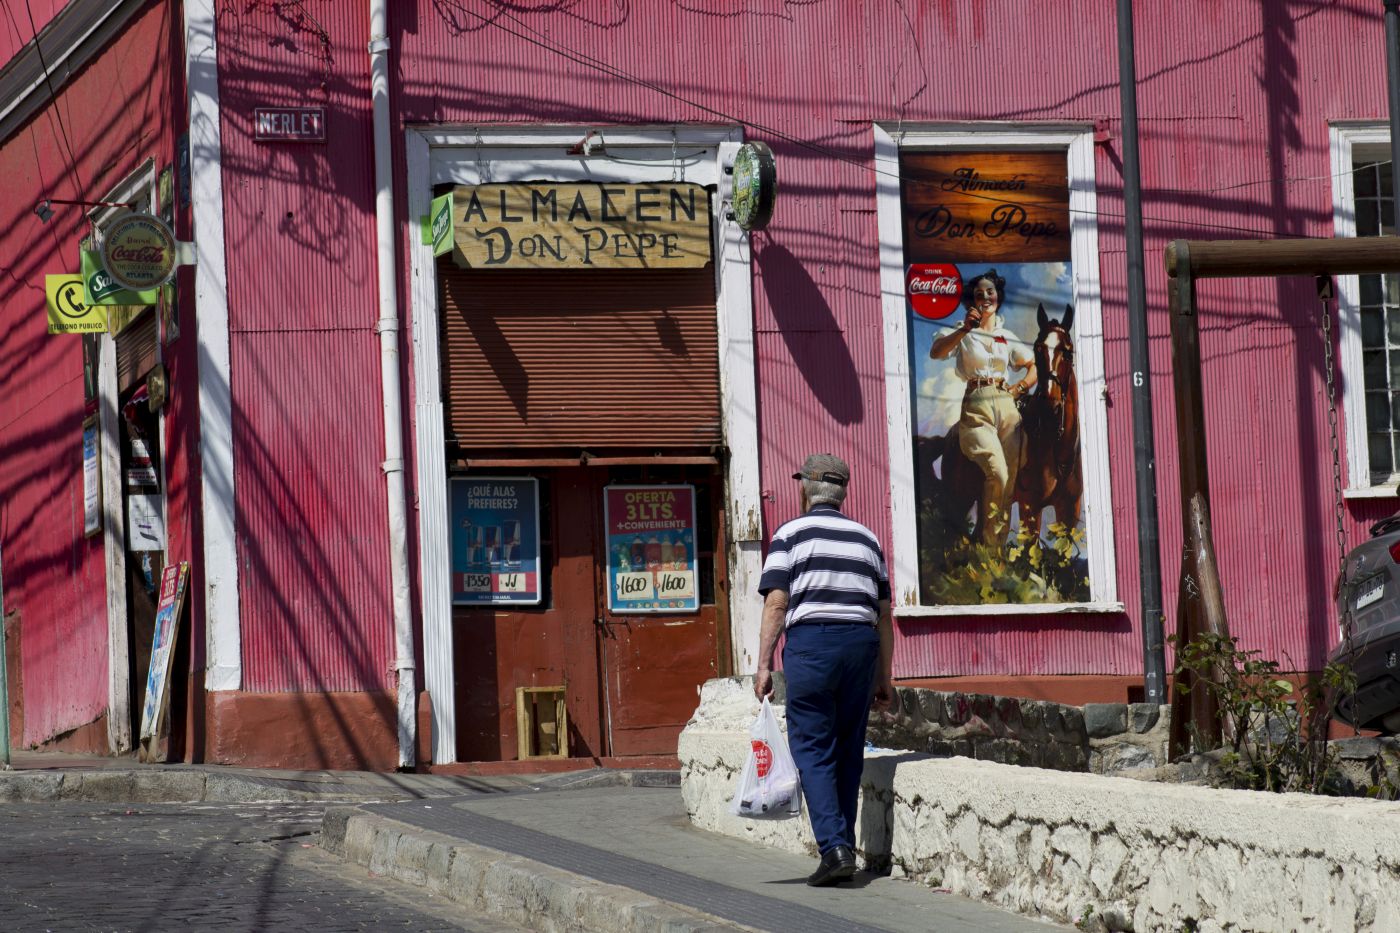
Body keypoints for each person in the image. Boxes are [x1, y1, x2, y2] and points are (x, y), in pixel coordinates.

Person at [753, 453, 894, 887]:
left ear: (805, 489)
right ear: (843, 491)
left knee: (812, 746)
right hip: (860, 647)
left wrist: (762, 665)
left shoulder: (789, 535)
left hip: (812, 646)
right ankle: (844, 849)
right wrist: (883, 678)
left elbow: (777, 603)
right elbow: (883, 614)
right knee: (848, 747)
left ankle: (834, 848)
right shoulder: (868, 540)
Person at [928, 269, 1035, 547]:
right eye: (978, 294)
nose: (985, 297)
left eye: (990, 292)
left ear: (998, 297)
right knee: (997, 470)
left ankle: (996, 551)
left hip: (1006, 403)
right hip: (977, 402)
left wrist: (1019, 388)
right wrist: (964, 329)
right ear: (971, 301)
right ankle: (987, 543)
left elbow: (1033, 366)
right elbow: (937, 352)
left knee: (1009, 481)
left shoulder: (1006, 334)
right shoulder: (960, 330)